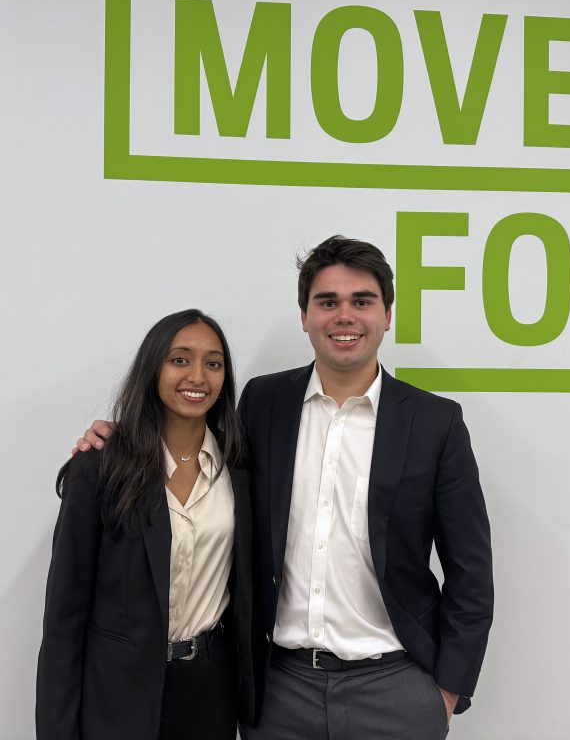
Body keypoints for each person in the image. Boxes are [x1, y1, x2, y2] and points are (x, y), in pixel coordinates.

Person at [76, 237, 493, 740]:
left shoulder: (435, 422)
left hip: (395, 688)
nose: (345, 315)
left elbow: (471, 573)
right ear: (304, 316)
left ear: (387, 315)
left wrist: (446, 692)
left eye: (362, 301)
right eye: (327, 302)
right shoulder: (263, 402)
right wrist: (116, 439)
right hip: (279, 692)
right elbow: (190, 443)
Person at [37, 309, 254, 740]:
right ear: (152, 368)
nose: (197, 376)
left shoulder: (241, 468)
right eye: (179, 360)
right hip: (118, 692)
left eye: (213, 363)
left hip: (209, 690)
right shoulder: (100, 467)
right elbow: (65, 617)